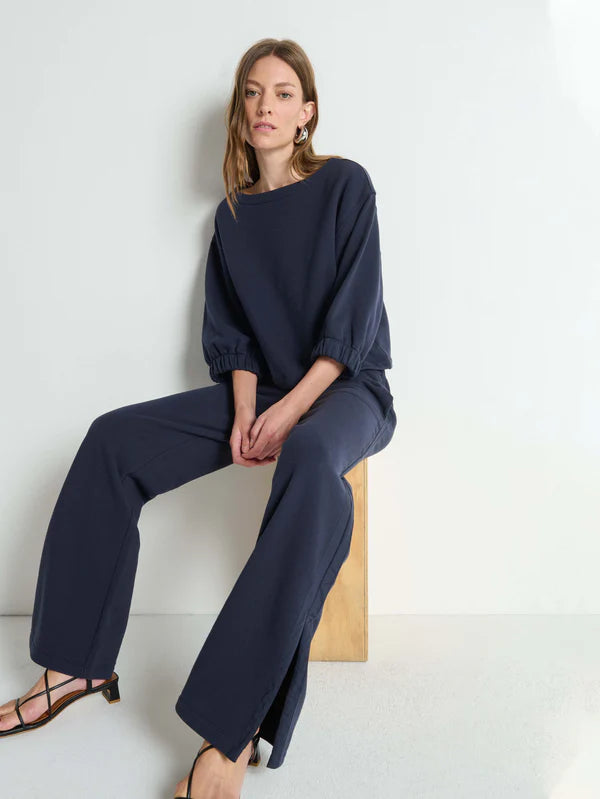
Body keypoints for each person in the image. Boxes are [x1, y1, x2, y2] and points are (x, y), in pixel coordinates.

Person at [0, 38, 397, 799]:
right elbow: (235, 335)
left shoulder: (348, 186)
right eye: (252, 93)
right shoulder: (233, 215)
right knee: (115, 438)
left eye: (282, 93)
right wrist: (249, 410)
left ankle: (231, 728)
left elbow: (350, 331)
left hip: (344, 390)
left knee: (315, 466)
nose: (264, 107)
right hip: (268, 390)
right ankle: (75, 663)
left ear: (308, 113)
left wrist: (286, 412)